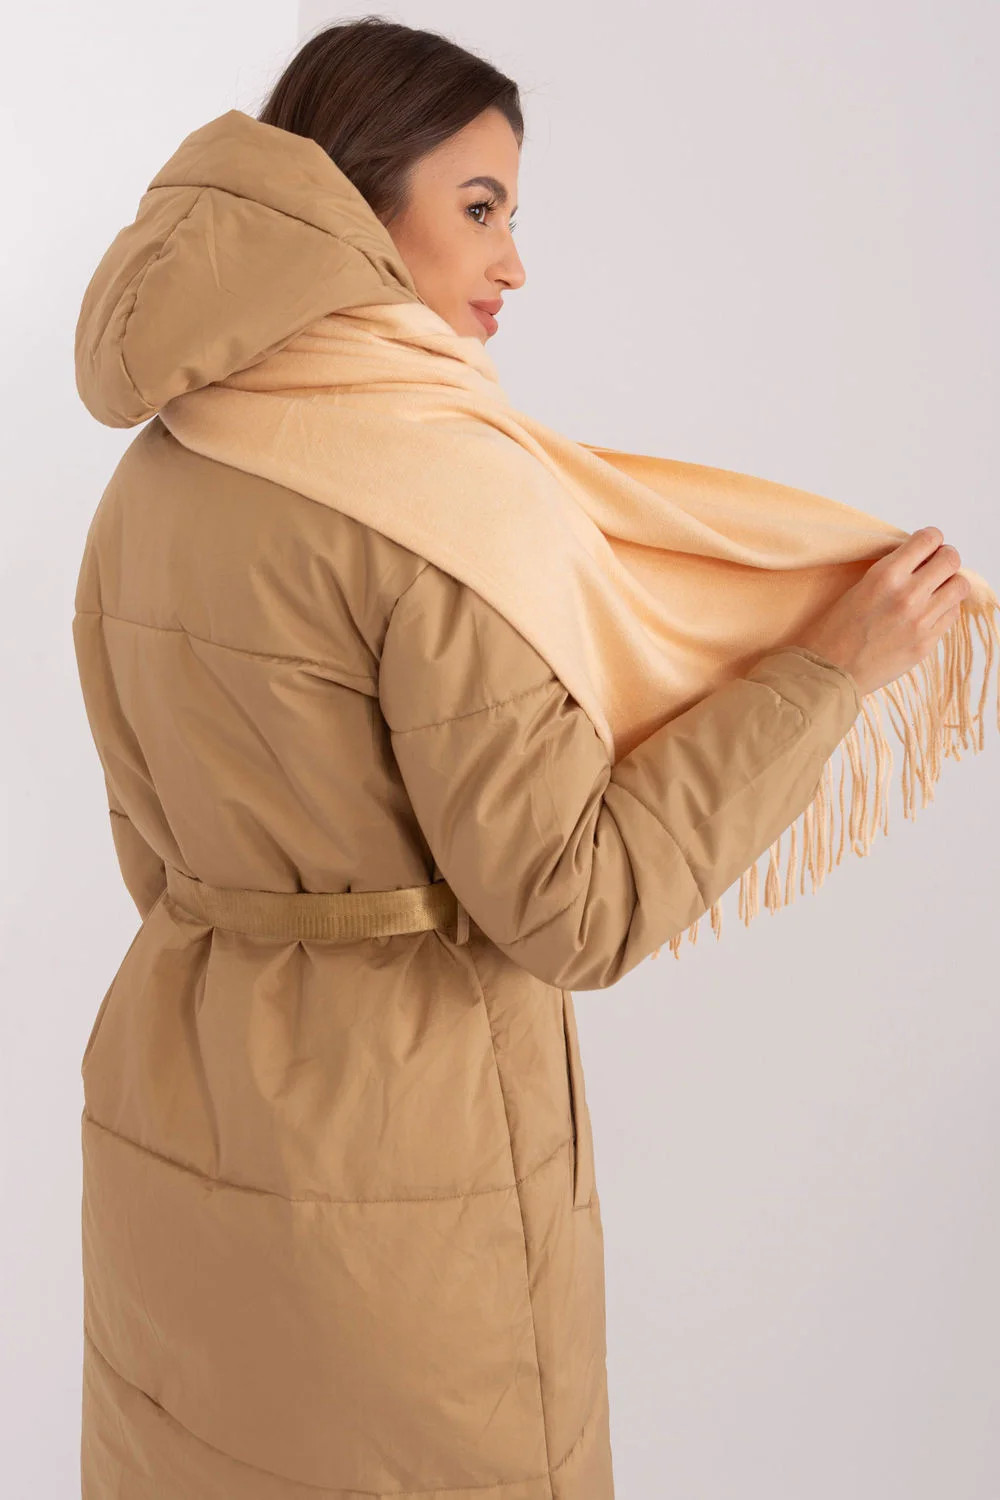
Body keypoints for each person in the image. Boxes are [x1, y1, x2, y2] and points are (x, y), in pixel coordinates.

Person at [70, 18, 968, 1500]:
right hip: (408, 1184)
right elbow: (573, 908)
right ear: (356, 205)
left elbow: (147, 850)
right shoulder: (436, 491)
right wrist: (823, 677)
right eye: (480, 207)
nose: (514, 263)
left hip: (174, 1132)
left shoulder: (153, 473)